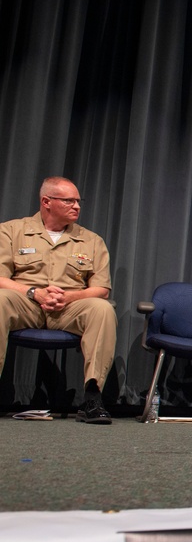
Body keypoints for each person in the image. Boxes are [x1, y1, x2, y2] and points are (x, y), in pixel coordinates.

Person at [0, 176, 117, 423]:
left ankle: (92, 399)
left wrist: (71, 296)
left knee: (102, 309)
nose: (77, 206)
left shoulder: (92, 240)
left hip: (69, 307)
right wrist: (34, 292)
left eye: (78, 201)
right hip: (26, 302)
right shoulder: (11, 231)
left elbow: (101, 288)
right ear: (46, 201)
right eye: (69, 201)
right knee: (0, 299)